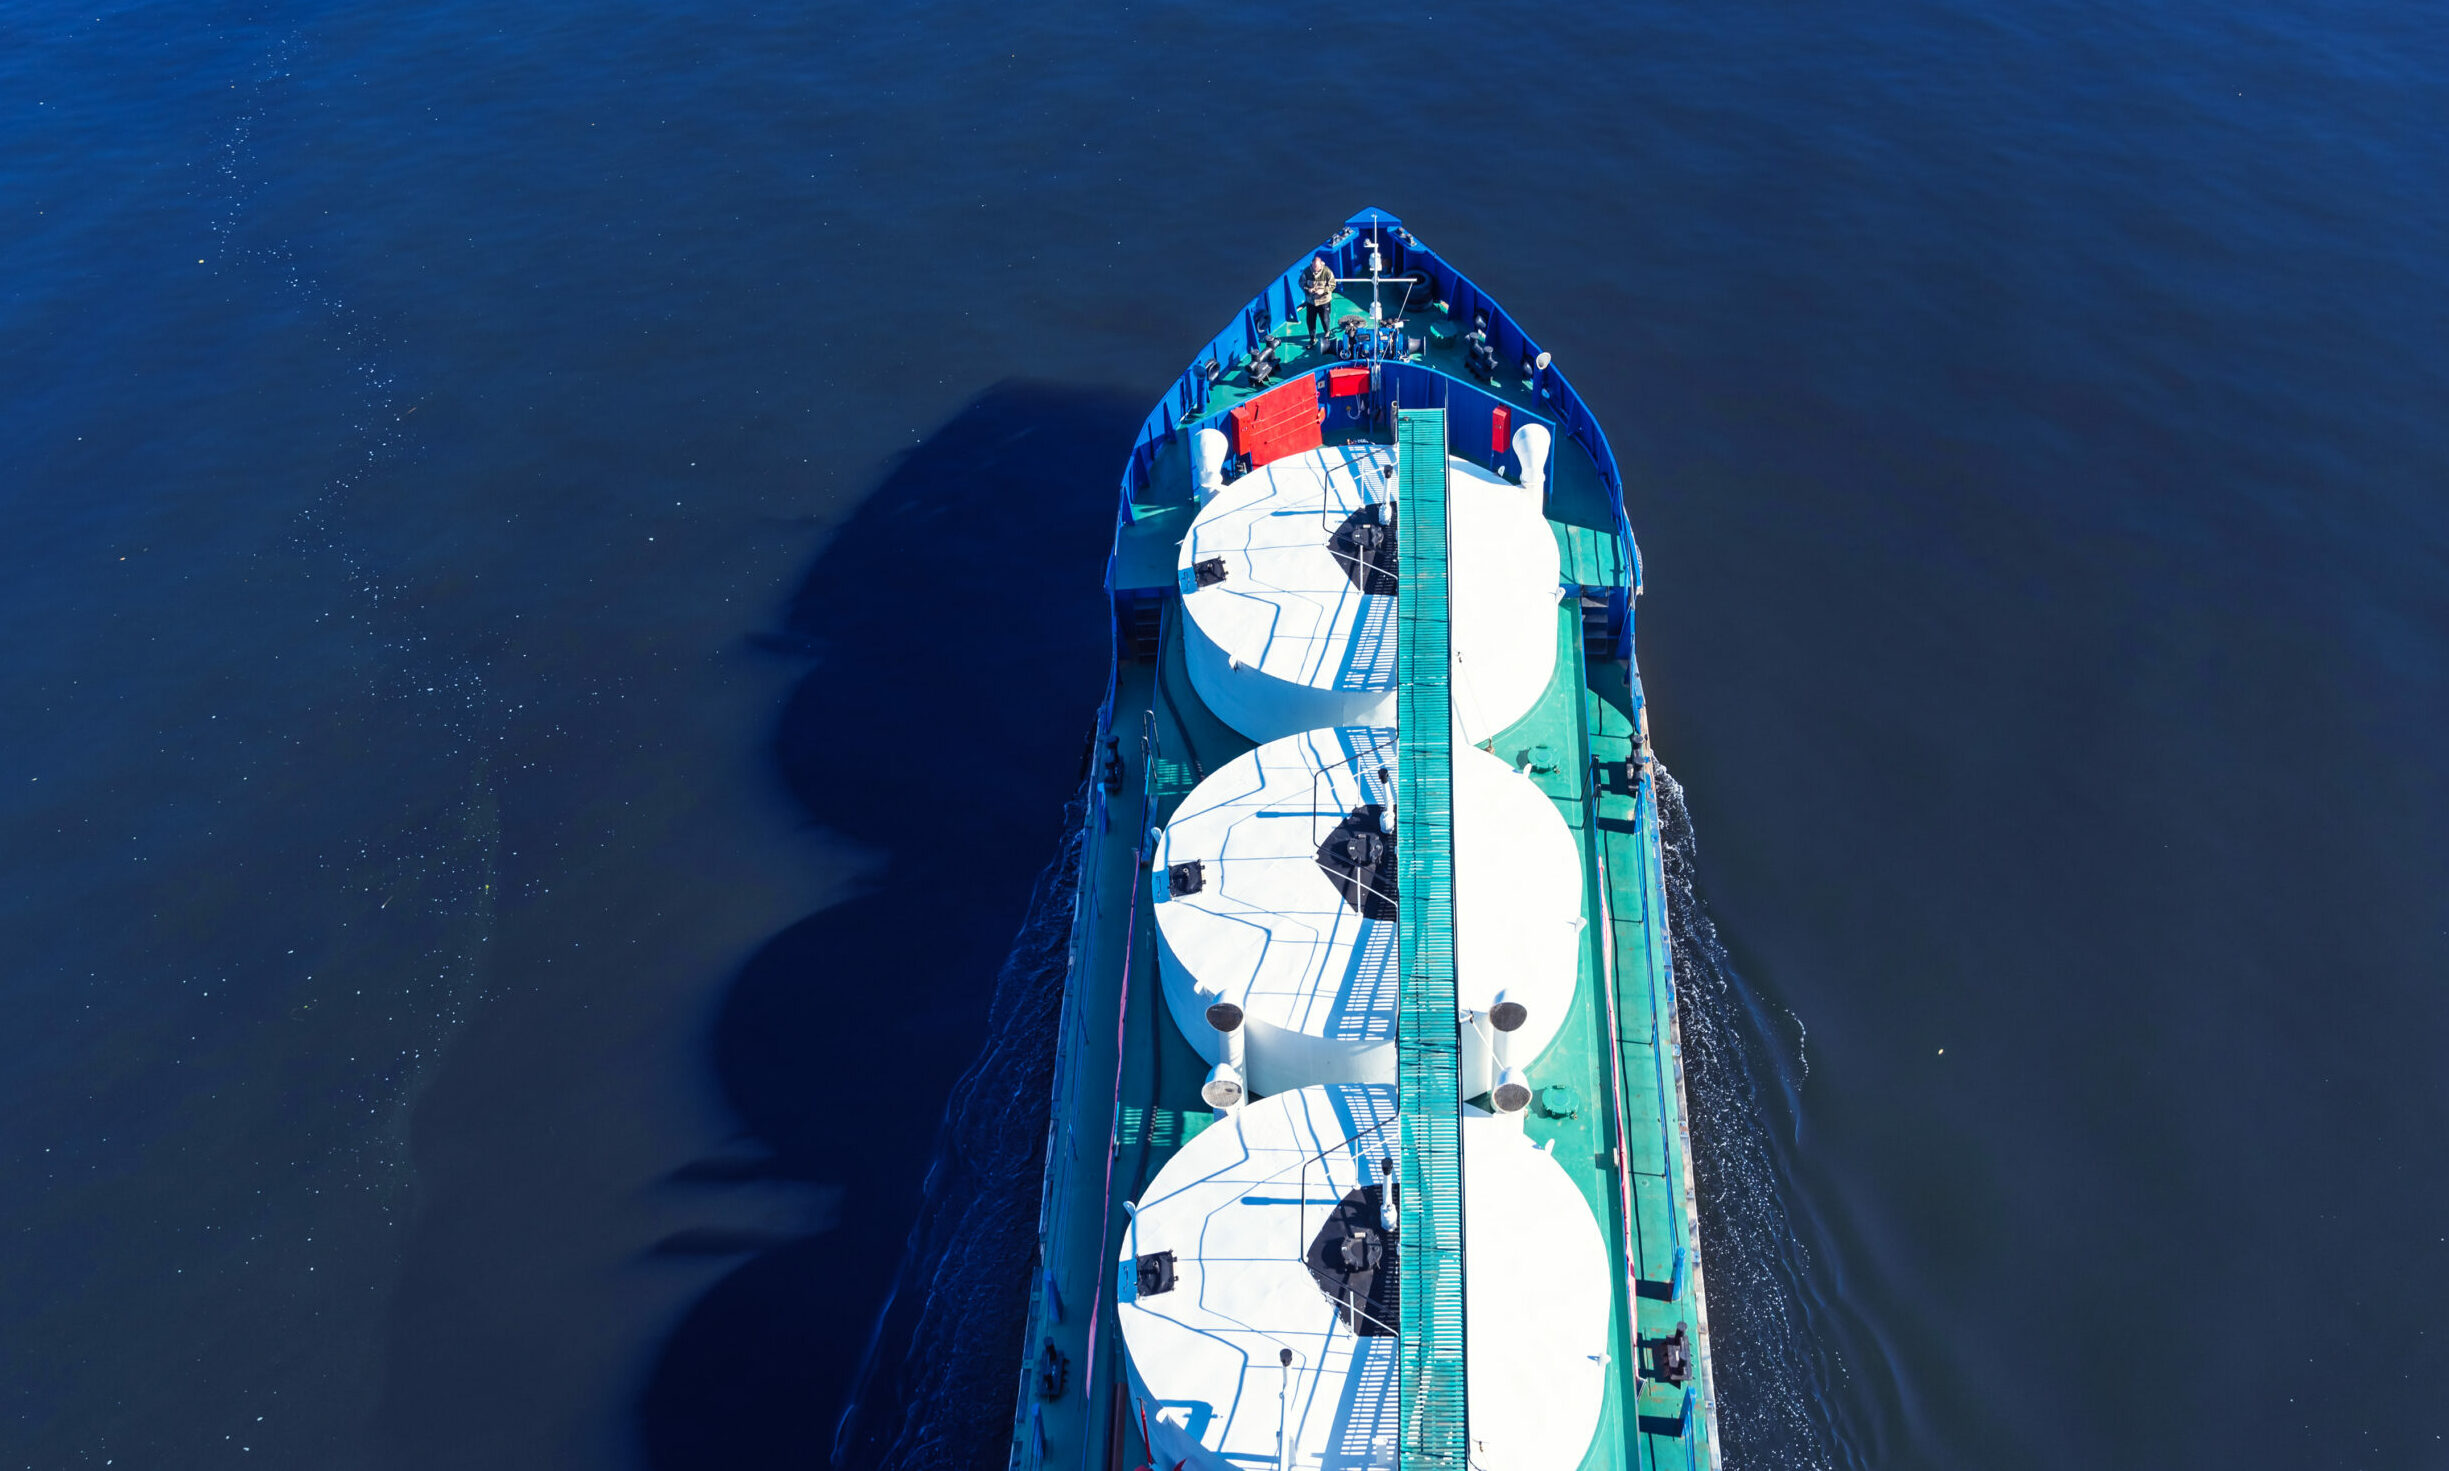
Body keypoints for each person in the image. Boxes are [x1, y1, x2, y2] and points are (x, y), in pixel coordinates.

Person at [1301, 255, 1336, 342]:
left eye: (1317, 267)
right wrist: (1308, 289)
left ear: (1321, 264)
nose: (1315, 269)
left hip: (1324, 301)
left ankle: (1327, 332)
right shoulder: (1306, 272)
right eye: (1313, 267)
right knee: (1310, 321)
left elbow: (1333, 285)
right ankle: (1312, 338)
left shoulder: (1327, 272)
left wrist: (1323, 290)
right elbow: (1301, 283)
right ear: (1311, 264)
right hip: (1311, 302)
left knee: (1325, 319)